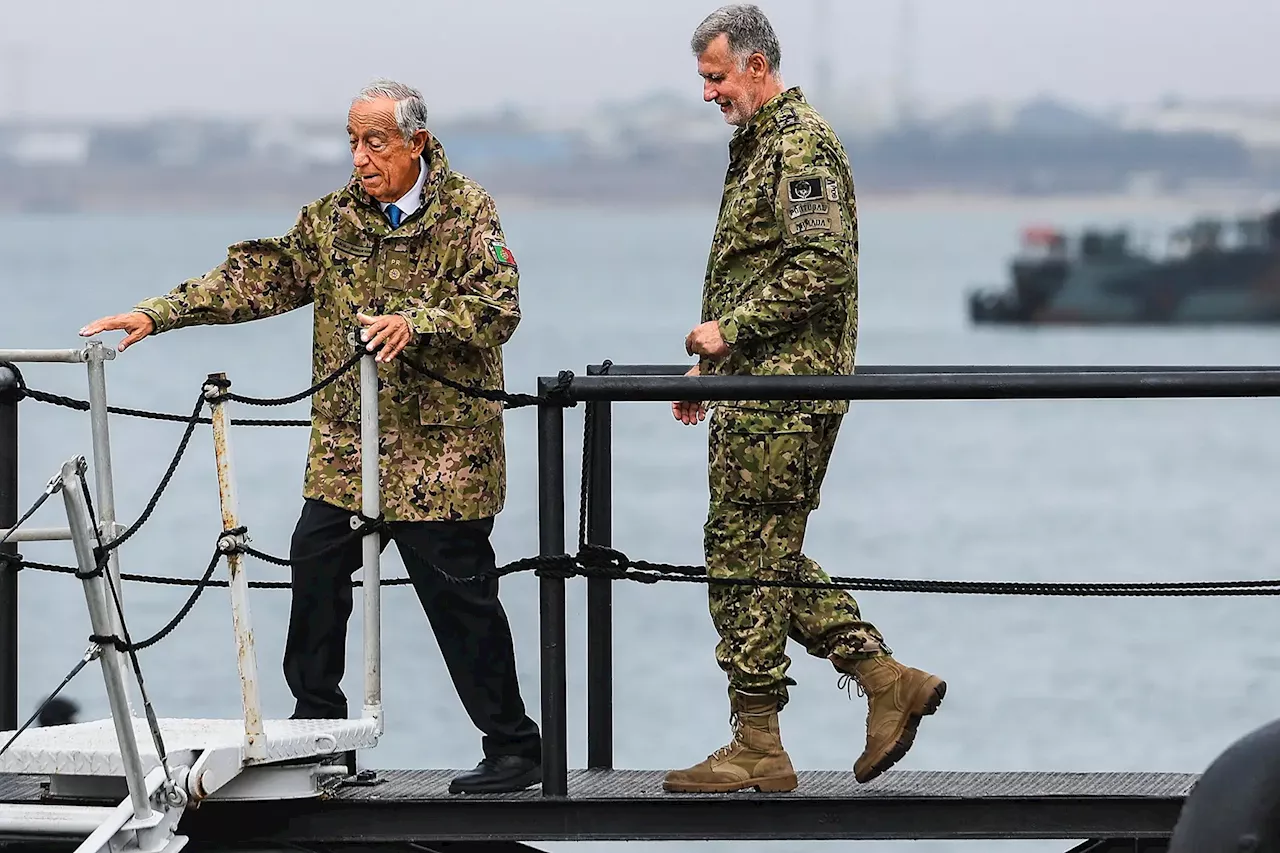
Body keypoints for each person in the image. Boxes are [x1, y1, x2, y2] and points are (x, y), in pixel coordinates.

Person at [79, 79, 541, 795]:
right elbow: (256, 276)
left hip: (444, 456)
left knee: (461, 600)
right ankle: (316, 738)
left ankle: (514, 749)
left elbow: (499, 304)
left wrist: (418, 321)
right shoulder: (332, 221)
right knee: (314, 569)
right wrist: (159, 313)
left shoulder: (469, 212)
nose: (360, 157)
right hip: (347, 456)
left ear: (416, 143)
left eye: (375, 142)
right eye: (353, 142)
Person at [666, 5, 946, 794]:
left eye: (717, 77)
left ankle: (761, 741)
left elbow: (819, 266)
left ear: (758, 65)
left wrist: (726, 334)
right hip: (760, 388)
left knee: (744, 552)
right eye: (704, 79)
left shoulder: (799, 142)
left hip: (788, 395)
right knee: (752, 551)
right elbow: (762, 270)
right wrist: (713, 371)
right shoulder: (761, 145)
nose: (710, 93)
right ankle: (882, 677)